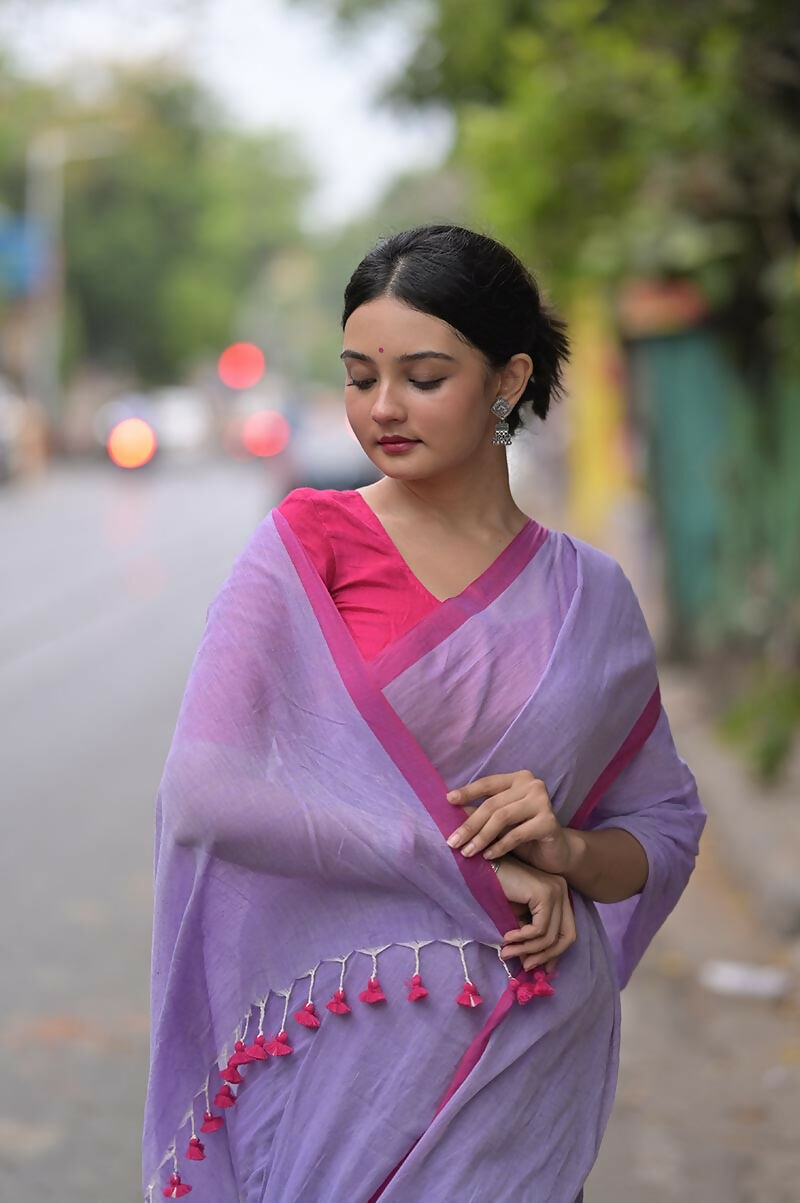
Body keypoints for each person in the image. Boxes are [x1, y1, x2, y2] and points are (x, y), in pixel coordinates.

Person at [142, 224, 707, 1202]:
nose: (381, 408)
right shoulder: (305, 549)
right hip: (348, 1065)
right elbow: (204, 795)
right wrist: (464, 856)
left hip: (522, 1064)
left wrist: (567, 854)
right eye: (360, 377)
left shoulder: (590, 597)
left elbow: (661, 827)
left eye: (422, 375)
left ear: (505, 378)